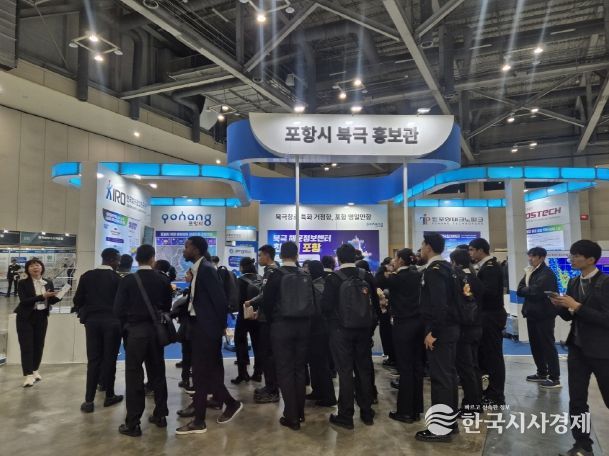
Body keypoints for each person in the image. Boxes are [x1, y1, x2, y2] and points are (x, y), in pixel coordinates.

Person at [176, 237, 243, 435]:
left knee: (201, 373)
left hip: (207, 330)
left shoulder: (206, 270)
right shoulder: (198, 269)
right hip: (199, 327)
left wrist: (219, 329)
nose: (184, 250)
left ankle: (201, 420)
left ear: (196, 249)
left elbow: (220, 301)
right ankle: (223, 407)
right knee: (204, 374)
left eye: (187, 247)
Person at [550, 240, 609, 456]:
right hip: (577, 349)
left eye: (576, 256)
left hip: (603, 351)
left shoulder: (605, 283)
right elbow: (570, 316)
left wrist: (577, 306)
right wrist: (560, 306)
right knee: (577, 400)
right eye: (572, 255)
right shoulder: (574, 282)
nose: (571, 259)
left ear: (591, 259)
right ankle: (582, 444)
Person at [113, 244, 173, 437]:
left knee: (134, 376)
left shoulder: (128, 280)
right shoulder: (163, 279)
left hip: (135, 332)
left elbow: (118, 309)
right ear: (153, 258)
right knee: (158, 373)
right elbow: (167, 307)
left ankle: (133, 423)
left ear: (137, 259)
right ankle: (160, 415)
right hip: (156, 332)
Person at [322, 243, 378, 430]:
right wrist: (370, 329)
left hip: (341, 332)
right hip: (363, 331)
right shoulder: (366, 276)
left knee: (345, 372)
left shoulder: (334, 278)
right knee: (364, 370)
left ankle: (346, 416)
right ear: (355, 257)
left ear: (338, 258)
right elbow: (375, 307)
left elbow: (325, 307)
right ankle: (367, 412)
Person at [260, 241, 315, 430]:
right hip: (304, 327)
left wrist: (272, 321)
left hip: (281, 326)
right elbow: (313, 303)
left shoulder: (276, 275)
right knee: (299, 369)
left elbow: (267, 303)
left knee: (284, 370)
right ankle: (299, 413)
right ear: (297, 255)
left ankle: (291, 416)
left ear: (281, 255)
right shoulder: (305, 275)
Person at [416, 233, 460, 442]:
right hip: (450, 329)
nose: (421, 249)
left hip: (440, 331)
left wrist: (434, 333)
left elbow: (440, 305)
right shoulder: (448, 268)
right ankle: (450, 423)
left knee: (441, 379)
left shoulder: (434, 271)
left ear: (429, 247)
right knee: (448, 377)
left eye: (422, 245)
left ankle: (440, 429)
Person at [73, 248, 124, 413]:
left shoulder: (87, 276)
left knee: (93, 360)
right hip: (113, 323)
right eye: (118, 260)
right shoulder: (117, 279)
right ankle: (109, 395)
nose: (119, 264)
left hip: (92, 323)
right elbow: (123, 303)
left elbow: (77, 300)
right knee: (110, 358)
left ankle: (88, 401)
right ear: (112, 260)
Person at [377, 248, 424, 423]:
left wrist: (386, 268)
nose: (393, 262)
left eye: (395, 259)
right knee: (417, 367)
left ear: (401, 261)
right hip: (418, 324)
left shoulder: (396, 278)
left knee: (405, 368)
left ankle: (405, 411)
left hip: (403, 325)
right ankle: (416, 408)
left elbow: (378, 280)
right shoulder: (418, 274)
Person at [469, 237, 506, 407]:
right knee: (487, 355)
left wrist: (472, 284)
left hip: (492, 315)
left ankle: (497, 395)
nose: (470, 253)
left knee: (493, 356)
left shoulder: (490, 267)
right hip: (487, 315)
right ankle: (492, 390)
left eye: (472, 250)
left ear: (480, 250)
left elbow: (488, 293)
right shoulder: (485, 266)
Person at [517, 246, 561, 389]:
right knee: (535, 345)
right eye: (529, 256)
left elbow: (536, 291)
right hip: (532, 314)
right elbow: (520, 289)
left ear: (541, 258)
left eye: (533, 256)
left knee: (547, 346)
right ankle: (542, 372)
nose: (530, 259)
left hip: (544, 315)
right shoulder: (531, 272)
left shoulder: (547, 273)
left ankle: (554, 377)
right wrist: (528, 290)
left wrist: (528, 290)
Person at [15, 259, 60, 387]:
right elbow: (24, 301)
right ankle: (28, 375)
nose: (35, 267)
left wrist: (58, 297)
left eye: (37, 265)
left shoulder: (48, 282)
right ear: (27, 269)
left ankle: (35, 370)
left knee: (39, 345)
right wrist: (42, 296)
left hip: (42, 316)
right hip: (25, 317)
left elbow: (50, 301)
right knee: (27, 346)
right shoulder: (23, 283)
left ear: (42, 268)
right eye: (31, 266)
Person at [450, 248, 485, 413]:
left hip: (465, 328)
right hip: (477, 326)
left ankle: (471, 406)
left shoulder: (459, 279)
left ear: (454, 262)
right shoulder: (475, 278)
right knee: (474, 366)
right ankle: (477, 402)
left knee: (466, 368)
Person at [245, 245, 280, 404]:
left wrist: (251, 302)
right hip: (269, 317)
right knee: (267, 354)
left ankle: (272, 390)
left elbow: (265, 295)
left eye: (260, 256)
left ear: (267, 255)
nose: (258, 259)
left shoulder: (271, 272)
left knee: (268, 355)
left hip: (269, 320)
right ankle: (270, 386)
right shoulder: (274, 270)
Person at [305, 260, 337, 407]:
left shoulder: (316, 287)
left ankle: (329, 397)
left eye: (308, 269)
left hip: (318, 329)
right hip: (323, 328)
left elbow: (316, 310)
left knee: (321, 363)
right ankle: (317, 391)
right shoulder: (323, 283)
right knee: (315, 362)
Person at [232, 257, 262, 384]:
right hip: (257, 316)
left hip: (243, 316)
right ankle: (258, 373)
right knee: (258, 345)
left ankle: (243, 373)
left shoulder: (240, 281)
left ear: (242, 267)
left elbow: (238, 300)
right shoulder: (260, 278)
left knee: (240, 343)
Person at [377, 257, 396, 368]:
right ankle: (392, 357)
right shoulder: (384, 276)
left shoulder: (387, 276)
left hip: (386, 312)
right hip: (387, 311)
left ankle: (391, 357)